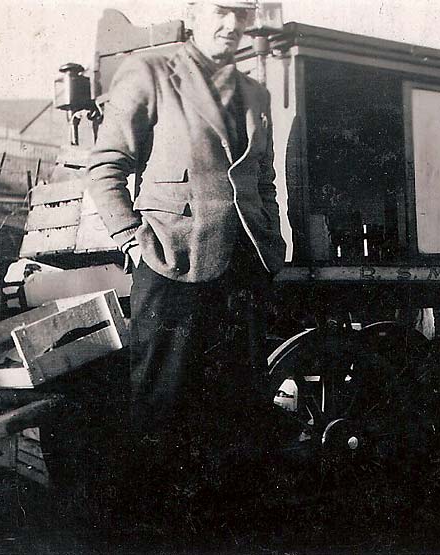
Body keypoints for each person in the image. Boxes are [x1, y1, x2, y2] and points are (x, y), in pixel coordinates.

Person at [87, 0, 286, 526]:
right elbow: (106, 168)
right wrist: (132, 239)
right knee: (163, 404)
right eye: (221, 9)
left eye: (241, 14)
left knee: (237, 406)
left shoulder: (255, 93)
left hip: (243, 270)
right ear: (194, 11)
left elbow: (262, 179)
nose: (231, 24)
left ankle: (221, 526)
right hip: (173, 264)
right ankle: (153, 529)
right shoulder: (152, 72)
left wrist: (272, 244)